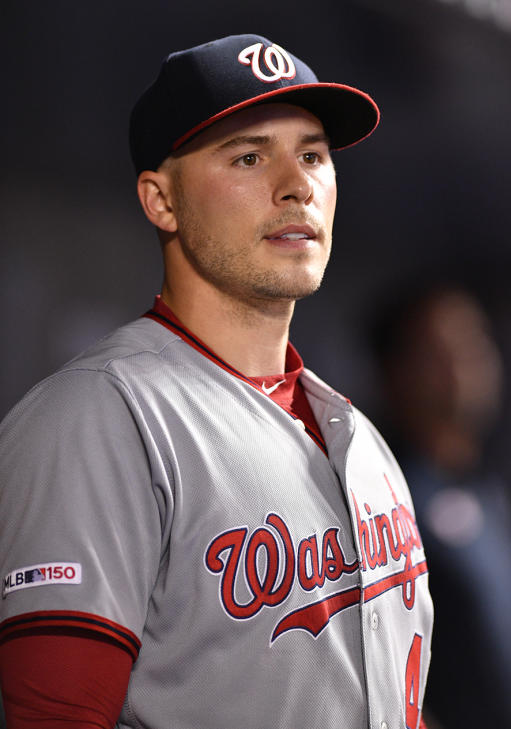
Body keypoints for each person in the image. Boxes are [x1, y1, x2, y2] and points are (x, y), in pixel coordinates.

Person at [0, 34, 432, 729]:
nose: (296, 184)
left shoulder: (361, 437)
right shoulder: (100, 416)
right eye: (249, 155)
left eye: (313, 154)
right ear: (161, 200)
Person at [368, 281, 511, 729]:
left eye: (474, 345)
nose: (466, 367)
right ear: (395, 371)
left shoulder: (486, 490)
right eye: (439, 352)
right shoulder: (379, 499)